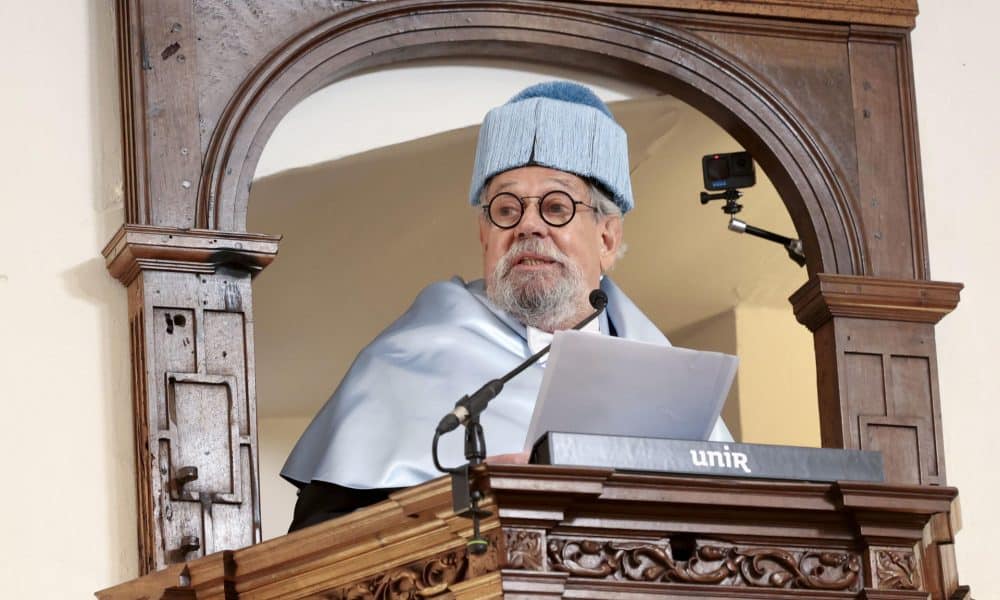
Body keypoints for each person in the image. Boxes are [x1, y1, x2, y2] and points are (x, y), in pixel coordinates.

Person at [282, 81, 732, 531]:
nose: (528, 225)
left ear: (607, 238)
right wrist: (463, 498)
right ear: (485, 234)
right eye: (505, 207)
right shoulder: (407, 360)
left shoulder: (667, 378)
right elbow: (317, 543)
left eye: (556, 207)